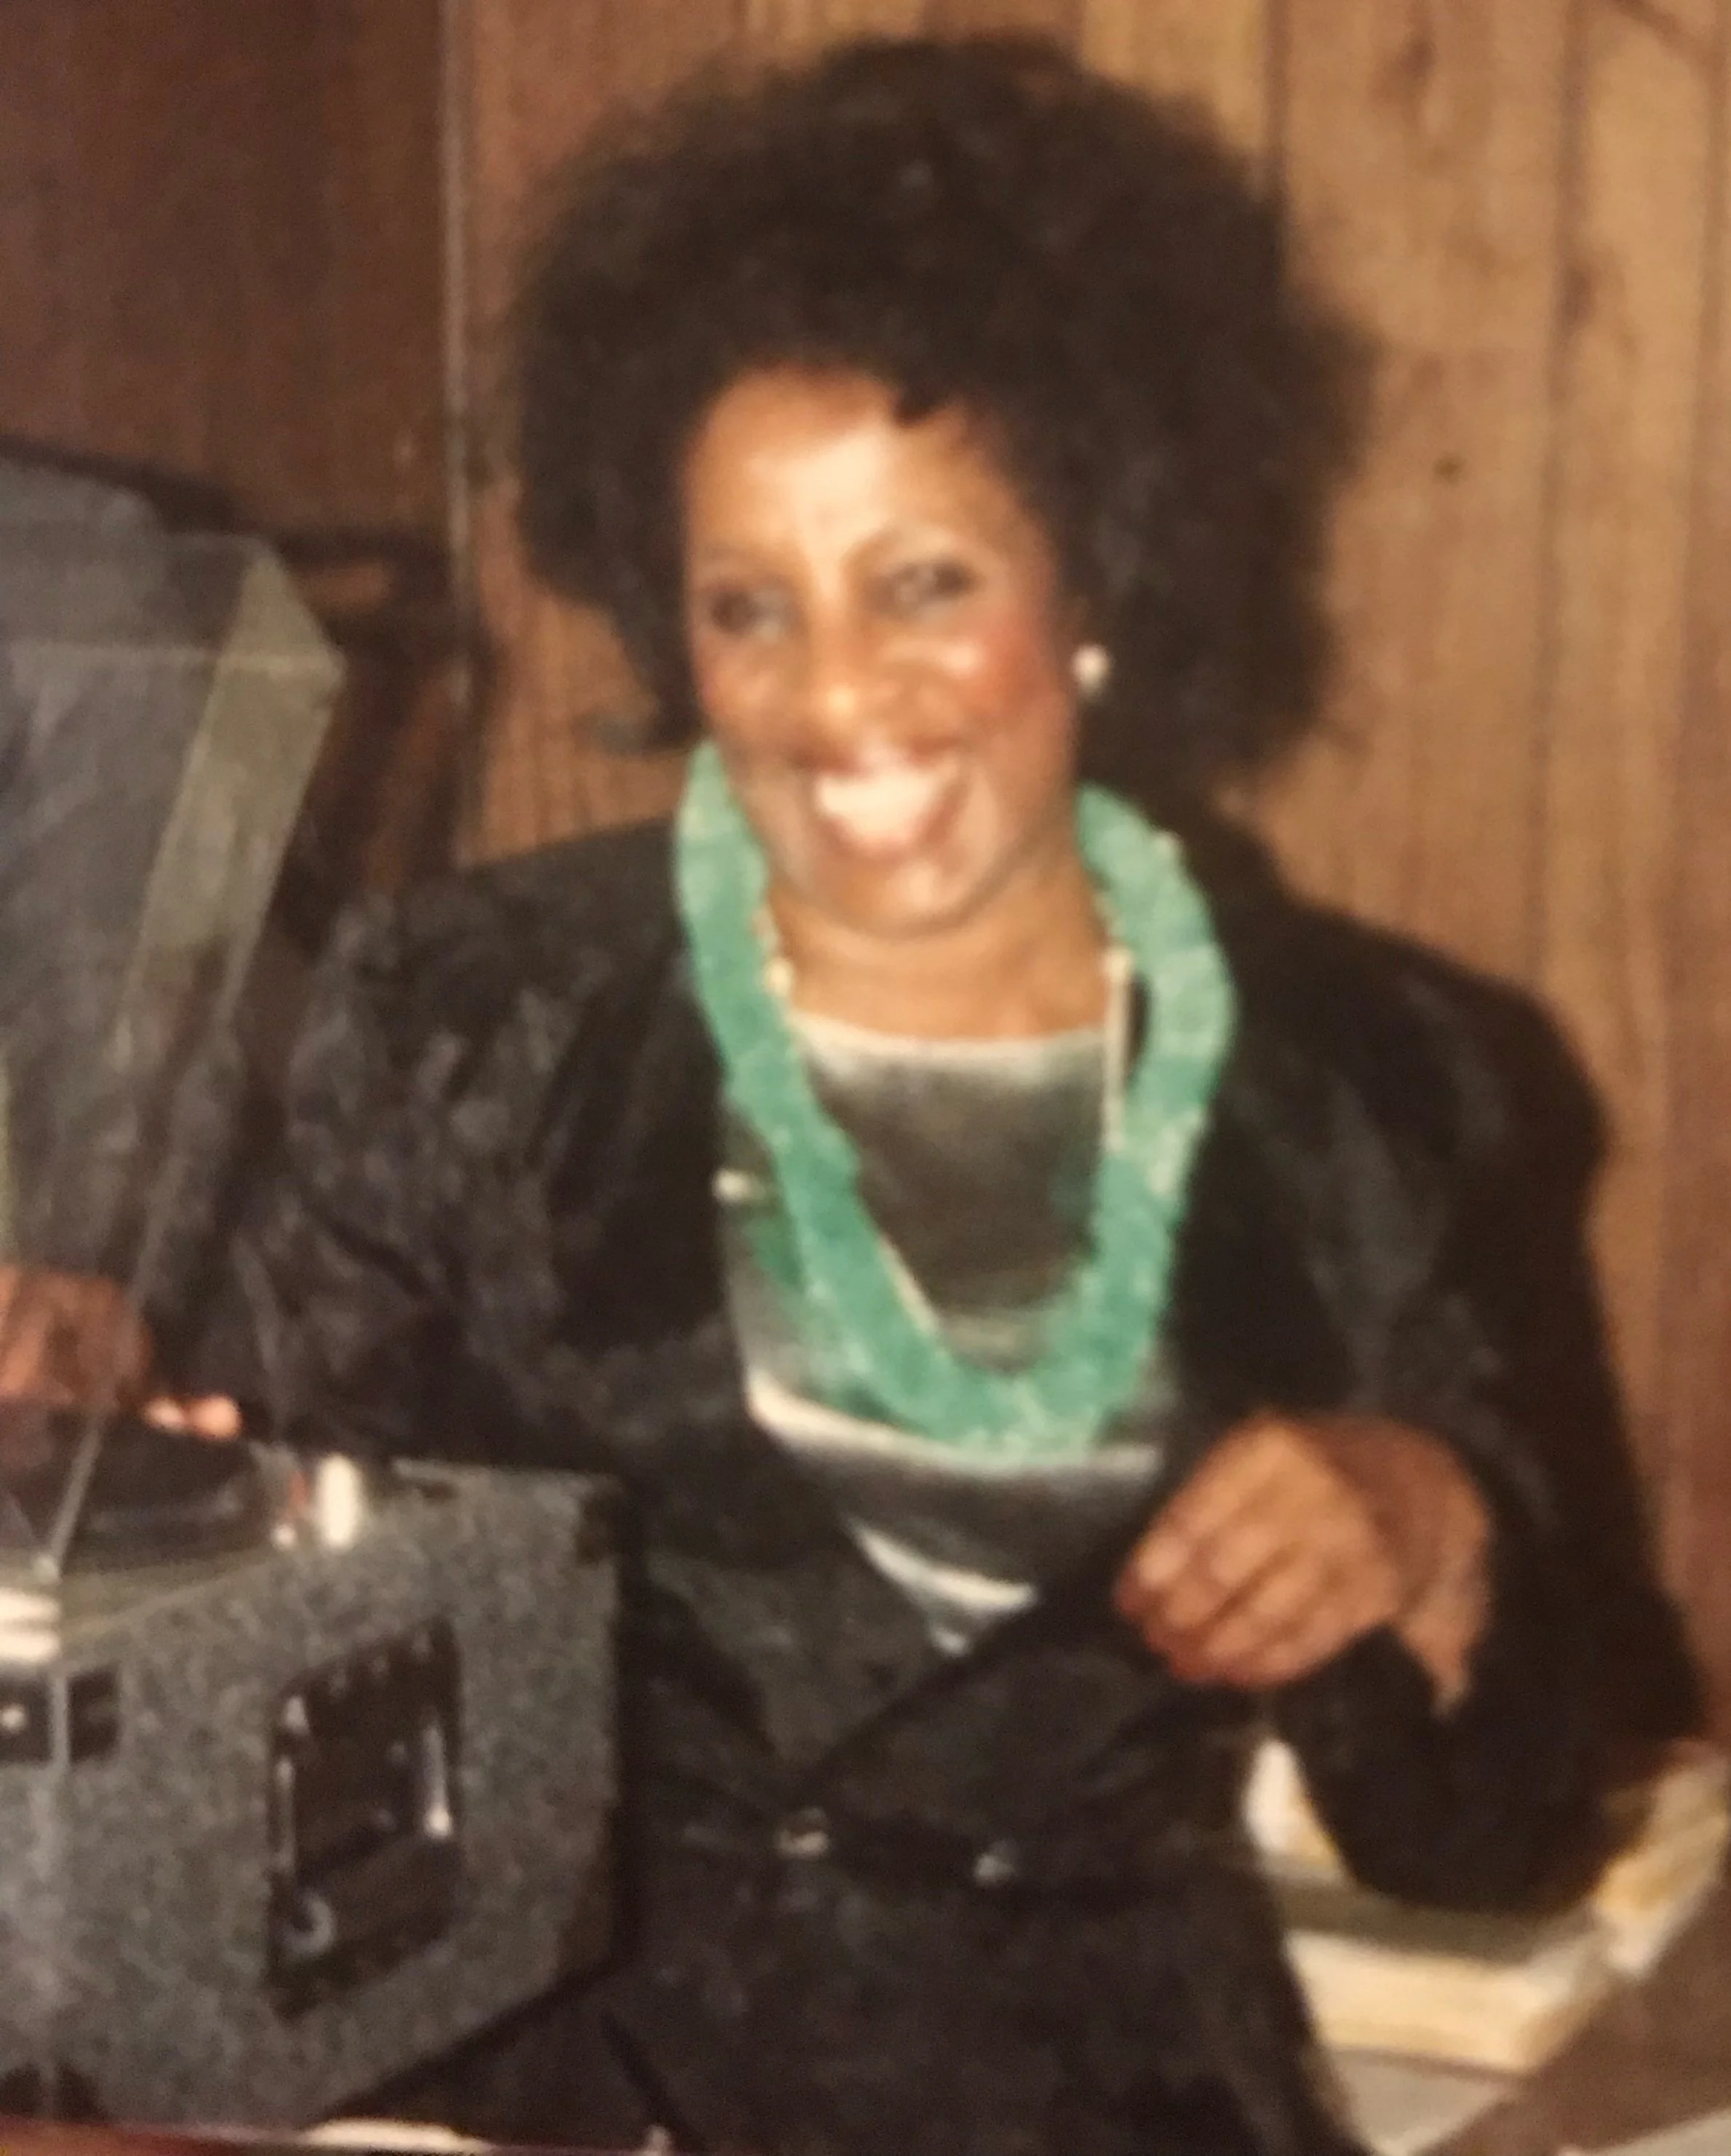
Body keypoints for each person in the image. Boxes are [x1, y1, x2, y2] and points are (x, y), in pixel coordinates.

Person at [192, 36, 1610, 2156]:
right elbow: (262, 1630)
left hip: (1108, 2112)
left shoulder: (1370, 1085)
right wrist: (132, 1488)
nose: (836, 694)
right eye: (748, 608)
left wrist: (1434, 1525)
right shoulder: (468, 1024)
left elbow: (1483, 1844)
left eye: (924, 582)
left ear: (1095, 577)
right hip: (555, 2101)